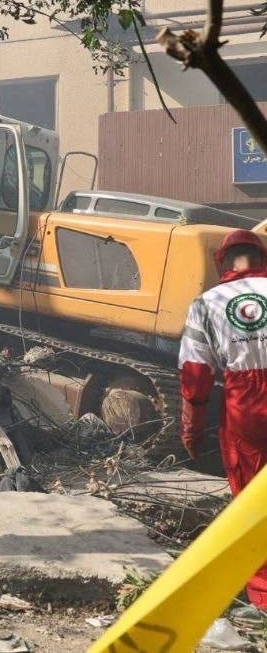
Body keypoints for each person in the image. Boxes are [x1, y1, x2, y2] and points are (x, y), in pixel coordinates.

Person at [180, 228, 267, 607]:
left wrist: (192, 429)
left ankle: (263, 596)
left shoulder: (206, 303)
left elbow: (195, 373)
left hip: (244, 405)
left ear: (223, 262)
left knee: (252, 502)